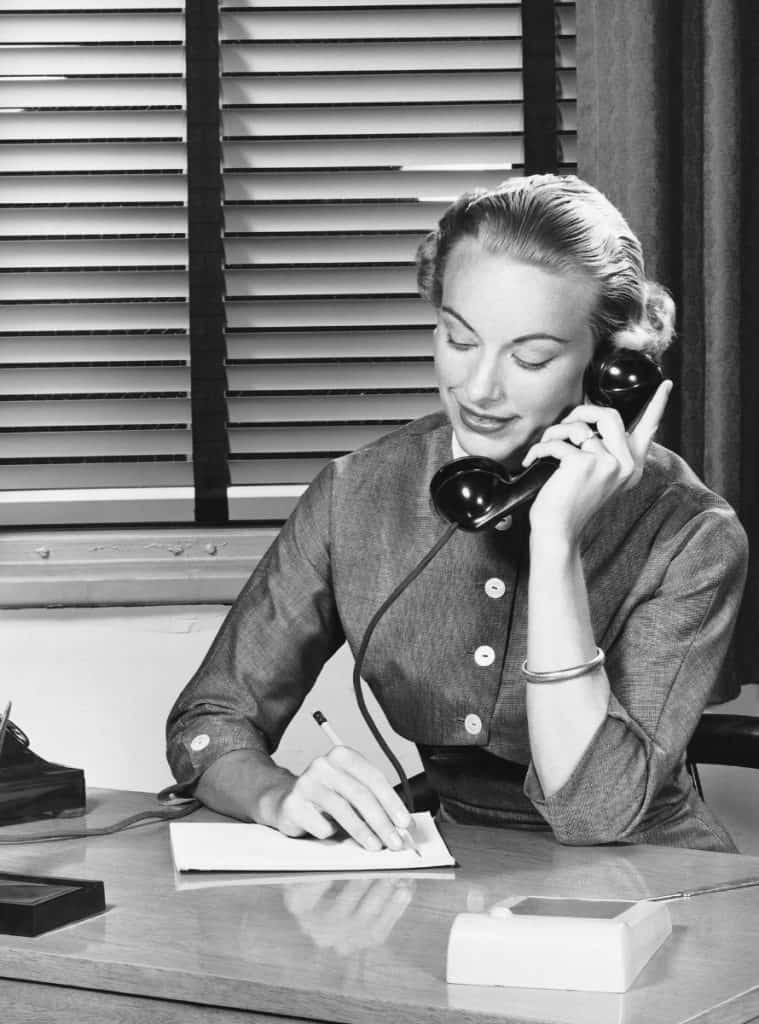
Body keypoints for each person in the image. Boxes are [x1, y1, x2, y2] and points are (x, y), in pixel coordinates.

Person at [166, 175, 748, 853]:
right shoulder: (358, 492)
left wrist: (555, 541)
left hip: (653, 883)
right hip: (452, 871)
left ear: (608, 367)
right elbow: (209, 718)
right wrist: (277, 794)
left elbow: (595, 817)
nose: (478, 389)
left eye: (529, 357)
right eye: (459, 338)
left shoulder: (691, 536)